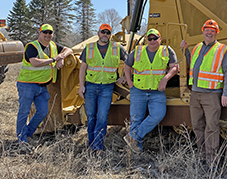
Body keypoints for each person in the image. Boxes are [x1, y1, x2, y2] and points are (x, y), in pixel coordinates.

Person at [180, 19, 227, 166]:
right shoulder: (197, 47)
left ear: (216, 33)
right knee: (197, 126)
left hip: (212, 94)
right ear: (203, 32)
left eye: (212, 31)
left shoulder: (222, 49)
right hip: (195, 93)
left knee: (211, 127)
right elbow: (193, 63)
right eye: (207, 30)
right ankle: (202, 155)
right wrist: (185, 50)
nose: (209, 33)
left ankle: (212, 159)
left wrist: (226, 93)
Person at [16, 24, 73, 146]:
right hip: (27, 85)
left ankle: (28, 133)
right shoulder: (32, 46)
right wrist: (54, 59)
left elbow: (69, 49)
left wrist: (61, 57)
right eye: (45, 32)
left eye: (50, 32)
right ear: (39, 33)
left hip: (42, 87)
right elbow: (35, 63)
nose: (47, 35)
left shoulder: (53, 45)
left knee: (42, 111)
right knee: (24, 112)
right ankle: (21, 139)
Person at [124, 28, 179, 153]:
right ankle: (135, 150)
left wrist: (165, 79)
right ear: (147, 40)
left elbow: (175, 68)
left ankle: (132, 137)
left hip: (156, 92)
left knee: (158, 114)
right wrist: (129, 83)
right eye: (150, 39)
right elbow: (127, 66)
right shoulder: (138, 51)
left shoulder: (166, 51)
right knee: (136, 119)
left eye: (155, 38)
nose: (152, 41)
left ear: (160, 39)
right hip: (138, 90)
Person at [78, 23, 128, 154]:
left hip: (107, 87)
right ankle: (91, 144)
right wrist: (81, 86)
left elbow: (129, 62)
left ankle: (98, 147)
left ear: (110, 35)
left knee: (102, 116)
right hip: (90, 86)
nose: (105, 34)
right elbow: (83, 68)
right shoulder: (89, 48)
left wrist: (124, 77)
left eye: (108, 32)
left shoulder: (117, 48)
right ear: (98, 33)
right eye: (103, 32)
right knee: (91, 116)